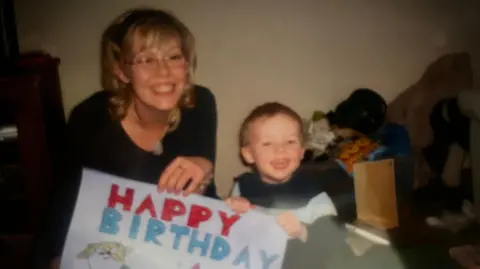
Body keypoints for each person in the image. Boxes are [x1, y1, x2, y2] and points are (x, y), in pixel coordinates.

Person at [35, 7, 218, 269]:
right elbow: (68, 203)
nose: (164, 72)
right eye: (146, 60)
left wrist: (204, 166)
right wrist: (58, 257)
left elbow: (203, 198)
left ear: (186, 64)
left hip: (180, 243)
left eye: (174, 56)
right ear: (121, 71)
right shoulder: (90, 117)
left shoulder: (200, 103)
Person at [225, 102, 346, 269]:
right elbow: (231, 234)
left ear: (302, 151)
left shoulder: (313, 192)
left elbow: (335, 239)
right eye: (267, 144)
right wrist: (230, 211)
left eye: (290, 142)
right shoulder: (243, 186)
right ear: (249, 154)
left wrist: (302, 231)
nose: (280, 150)